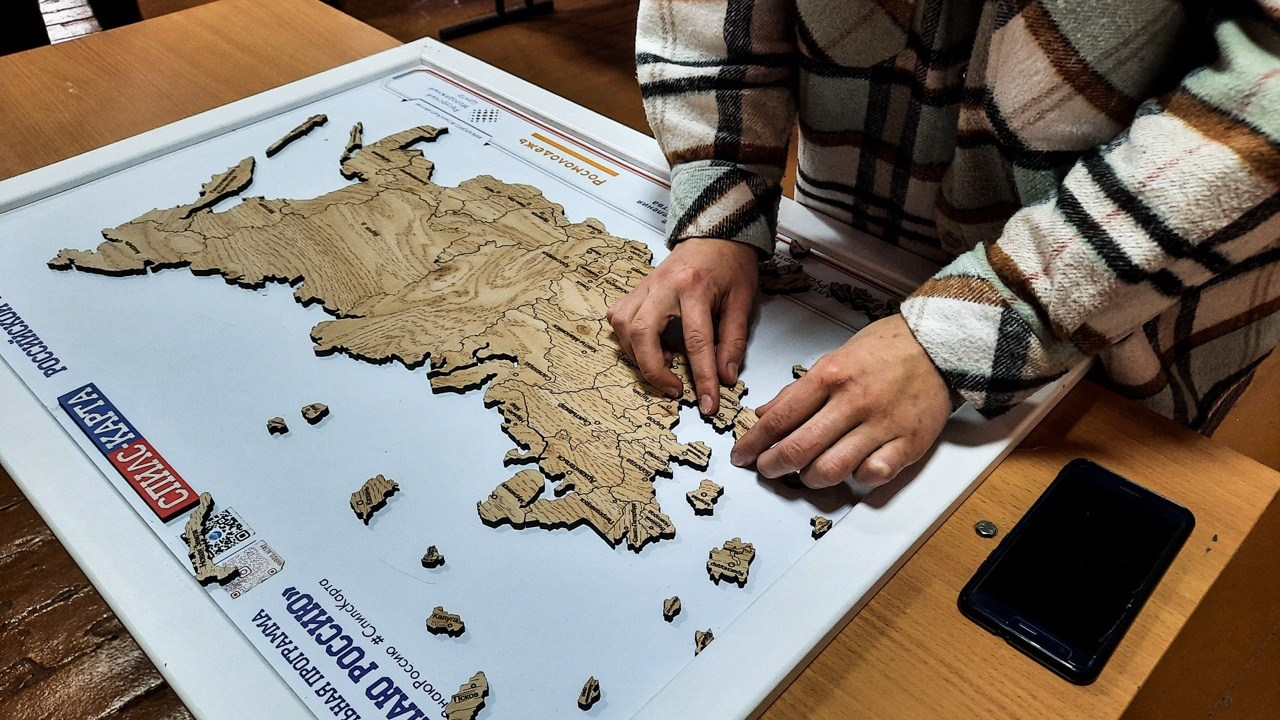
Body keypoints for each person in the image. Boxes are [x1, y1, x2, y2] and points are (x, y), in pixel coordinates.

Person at [609, 0, 1280, 490]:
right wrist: (722, 187)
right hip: (856, 218)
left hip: (1112, 298)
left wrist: (983, 321)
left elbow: (1266, 100)